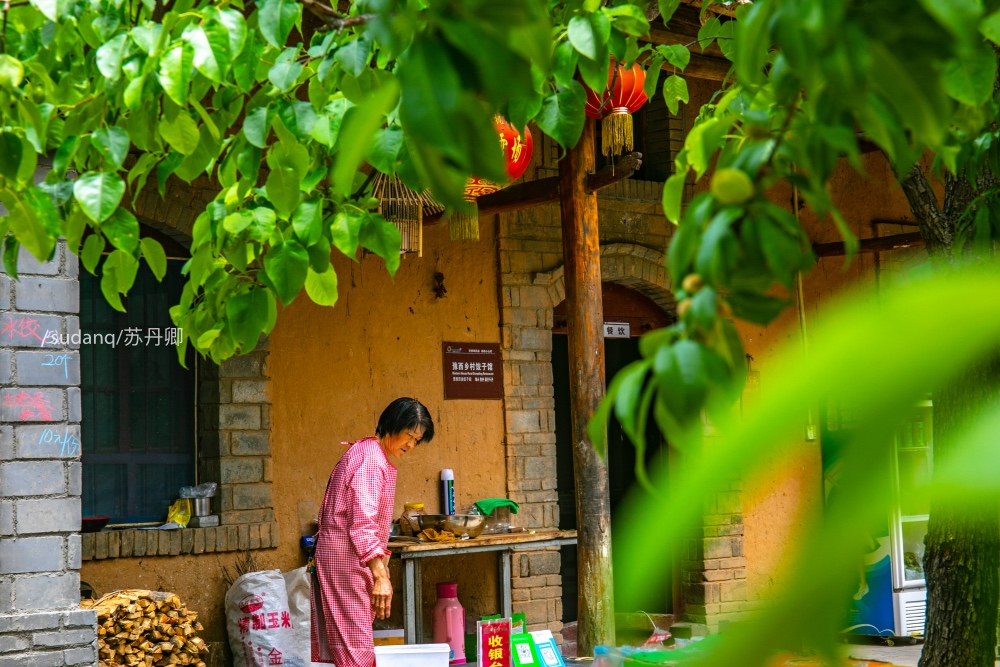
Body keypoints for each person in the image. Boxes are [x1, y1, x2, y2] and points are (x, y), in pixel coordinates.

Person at [311, 397, 435, 667]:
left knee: (354, 644)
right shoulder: (370, 459)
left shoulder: (369, 452)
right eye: (410, 436)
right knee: (356, 650)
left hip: (348, 560)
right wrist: (380, 575)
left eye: (417, 440)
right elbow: (362, 523)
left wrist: (378, 571)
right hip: (345, 559)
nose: (411, 445)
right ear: (394, 424)